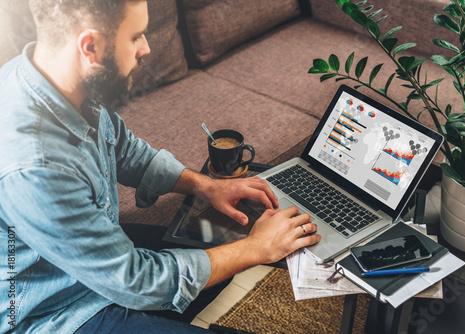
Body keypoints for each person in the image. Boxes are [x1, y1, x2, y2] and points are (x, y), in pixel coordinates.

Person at [0, 1, 321, 333]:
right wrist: (257, 248)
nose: (147, 49)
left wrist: (207, 186)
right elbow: (138, 281)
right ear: (90, 47)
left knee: (216, 254)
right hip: (51, 310)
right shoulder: (34, 166)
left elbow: (123, 149)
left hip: (90, 263)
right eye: (136, 36)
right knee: (231, 256)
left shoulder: (63, 78)